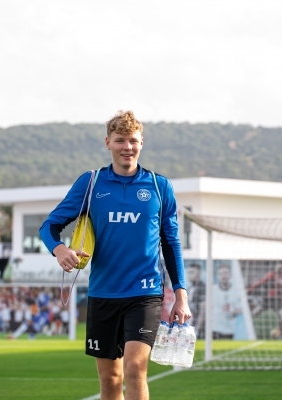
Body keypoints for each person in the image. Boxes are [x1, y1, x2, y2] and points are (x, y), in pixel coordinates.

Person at [39, 110, 190, 400]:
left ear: (142, 143)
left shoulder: (160, 186)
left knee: (135, 368)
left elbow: (171, 243)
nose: (127, 147)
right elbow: (49, 226)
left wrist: (180, 292)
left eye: (132, 140)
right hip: (103, 293)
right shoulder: (91, 183)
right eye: (120, 140)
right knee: (110, 379)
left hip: (144, 292)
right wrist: (59, 250)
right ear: (108, 142)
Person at [246, 263, 282, 339]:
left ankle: (281, 333)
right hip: (269, 299)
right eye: (278, 269)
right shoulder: (271, 275)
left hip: (278, 300)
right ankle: (246, 328)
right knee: (255, 313)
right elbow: (260, 282)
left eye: (281, 269)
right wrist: (249, 290)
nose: (279, 270)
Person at [212, 264, 241, 339]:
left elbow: (242, 308)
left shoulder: (237, 291)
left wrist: (237, 311)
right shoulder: (212, 290)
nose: (223, 276)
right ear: (217, 276)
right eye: (220, 274)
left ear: (230, 275)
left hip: (231, 329)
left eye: (225, 273)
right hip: (215, 328)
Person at [186, 262, 206, 339]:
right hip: (190, 325)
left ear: (199, 273)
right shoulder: (190, 288)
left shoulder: (202, 288)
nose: (189, 275)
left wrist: (197, 330)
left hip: (200, 329)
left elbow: (203, 311)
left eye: (192, 272)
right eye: (188, 272)